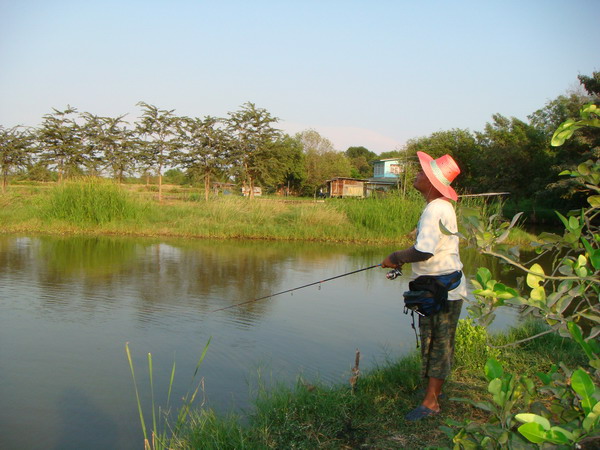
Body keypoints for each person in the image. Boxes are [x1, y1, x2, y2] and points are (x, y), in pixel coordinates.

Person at [381, 151, 467, 422]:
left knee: (439, 345)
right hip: (437, 286)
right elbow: (428, 245)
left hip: (443, 290)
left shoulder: (435, 208)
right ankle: (431, 393)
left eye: (422, 173)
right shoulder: (439, 207)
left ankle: (431, 403)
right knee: (432, 343)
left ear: (431, 182)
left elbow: (425, 251)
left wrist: (395, 258)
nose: (417, 174)